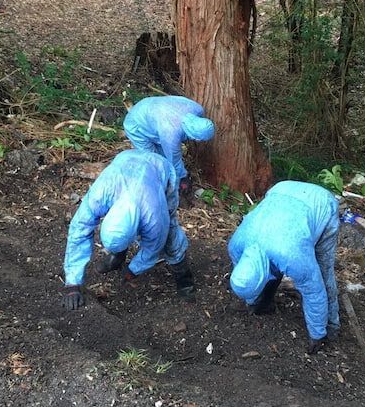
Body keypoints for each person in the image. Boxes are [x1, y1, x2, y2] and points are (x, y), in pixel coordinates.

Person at [61, 149, 194, 310]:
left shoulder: (154, 216)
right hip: (126, 160)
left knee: (170, 236)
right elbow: (79, 231)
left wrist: (134, 269)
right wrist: (72, 283)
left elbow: (154, 247)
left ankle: (184, 280)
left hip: (159, 168)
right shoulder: (100, 195)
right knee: (116, 232)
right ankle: (117, 257)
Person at [227, 180, 340, 353]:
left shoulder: (292, 257)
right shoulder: (236, 246)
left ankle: (331, 326)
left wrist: (316, 333)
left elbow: (313, 291)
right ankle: (265, 303)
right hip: (280, 190)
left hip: (321, 204)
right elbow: (246, 278)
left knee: (322, 273)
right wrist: (253, 302)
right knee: (273, 263)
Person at [122, 96, 215, 199]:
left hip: (151, 109)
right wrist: (182, 177)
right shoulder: (171, 134)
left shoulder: (197, 109)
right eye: (199, 139)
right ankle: (152, 192)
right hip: (136, 124)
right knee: (153, 160)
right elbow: (174, 159)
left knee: (163, 157)